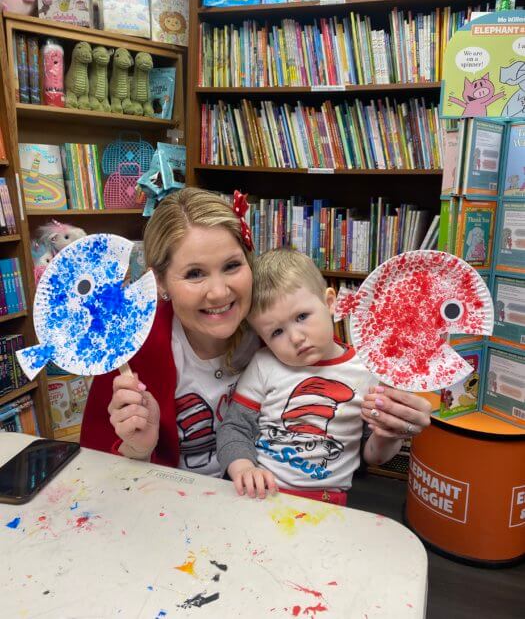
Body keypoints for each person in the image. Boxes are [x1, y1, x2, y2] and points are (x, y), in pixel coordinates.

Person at [217, 248, 432, 505]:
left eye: (302, 317)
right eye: (276, 332)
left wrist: (387, 433)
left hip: (328, 502)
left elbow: (372, 456)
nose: (296, 338)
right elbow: (234, 428)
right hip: (261, 494)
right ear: (262, 338)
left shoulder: (368, 372)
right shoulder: (264, 364)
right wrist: (243, 469)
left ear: (330, 302)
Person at [80, 187, 259, 473]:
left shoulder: (277, 328)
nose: (219, 292)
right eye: (195, 274)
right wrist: (138, 448)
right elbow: (98, 468)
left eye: (232, 265)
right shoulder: (129, 347)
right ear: (160, 282)